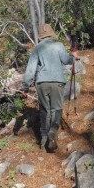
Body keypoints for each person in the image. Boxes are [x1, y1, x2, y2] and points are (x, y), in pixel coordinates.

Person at [21, 23, 77, 152]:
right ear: (51, 33)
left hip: (42, 83)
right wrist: (73, 56)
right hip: (57, 82)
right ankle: (53, 131)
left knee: (44, 111)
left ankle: (44, 138)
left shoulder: (37, 48)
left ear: (41, 36)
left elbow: (30, 69)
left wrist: (26, 86)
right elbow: (66, 60)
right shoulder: (59, 45)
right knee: (56, 108)